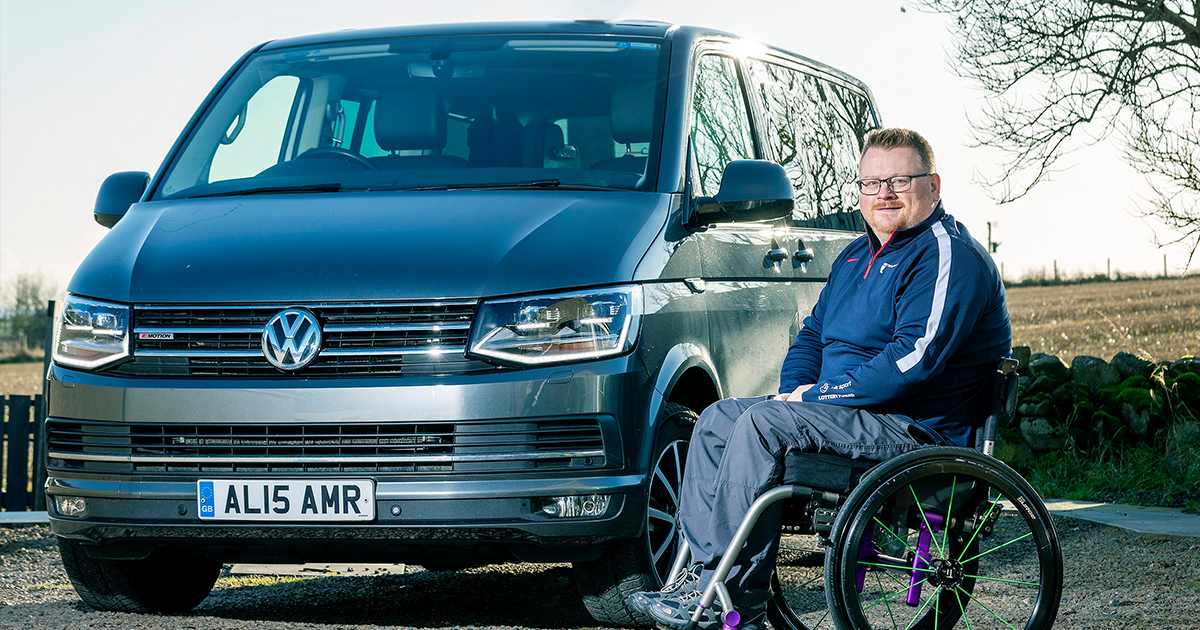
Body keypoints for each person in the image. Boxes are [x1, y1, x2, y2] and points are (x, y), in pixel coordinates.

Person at [629, 128, 1011, 629]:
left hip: (916, 431)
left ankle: (729, 601)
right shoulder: (855, 255)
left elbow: (913, 358)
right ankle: (704, 581)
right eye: (872, 183)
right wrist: (796, 392)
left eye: (900, 180)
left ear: (934, 186)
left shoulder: (948, 255)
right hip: (850, 416)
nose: (885, 194)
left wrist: (817, 397)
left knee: (764, 426)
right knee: (719, 419)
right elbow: (811, 337)